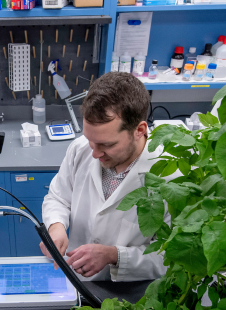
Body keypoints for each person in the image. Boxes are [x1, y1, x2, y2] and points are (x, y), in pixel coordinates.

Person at [40, 72, 172, 282]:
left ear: (139, 130)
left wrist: (114, 256)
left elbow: (169, 257)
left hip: (131, 290)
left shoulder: (170, 176)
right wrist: (56, 226)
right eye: (90, 140)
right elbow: (58, 197)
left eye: (107, 145)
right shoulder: (81, 150)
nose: (95, 153)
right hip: (76, 279)